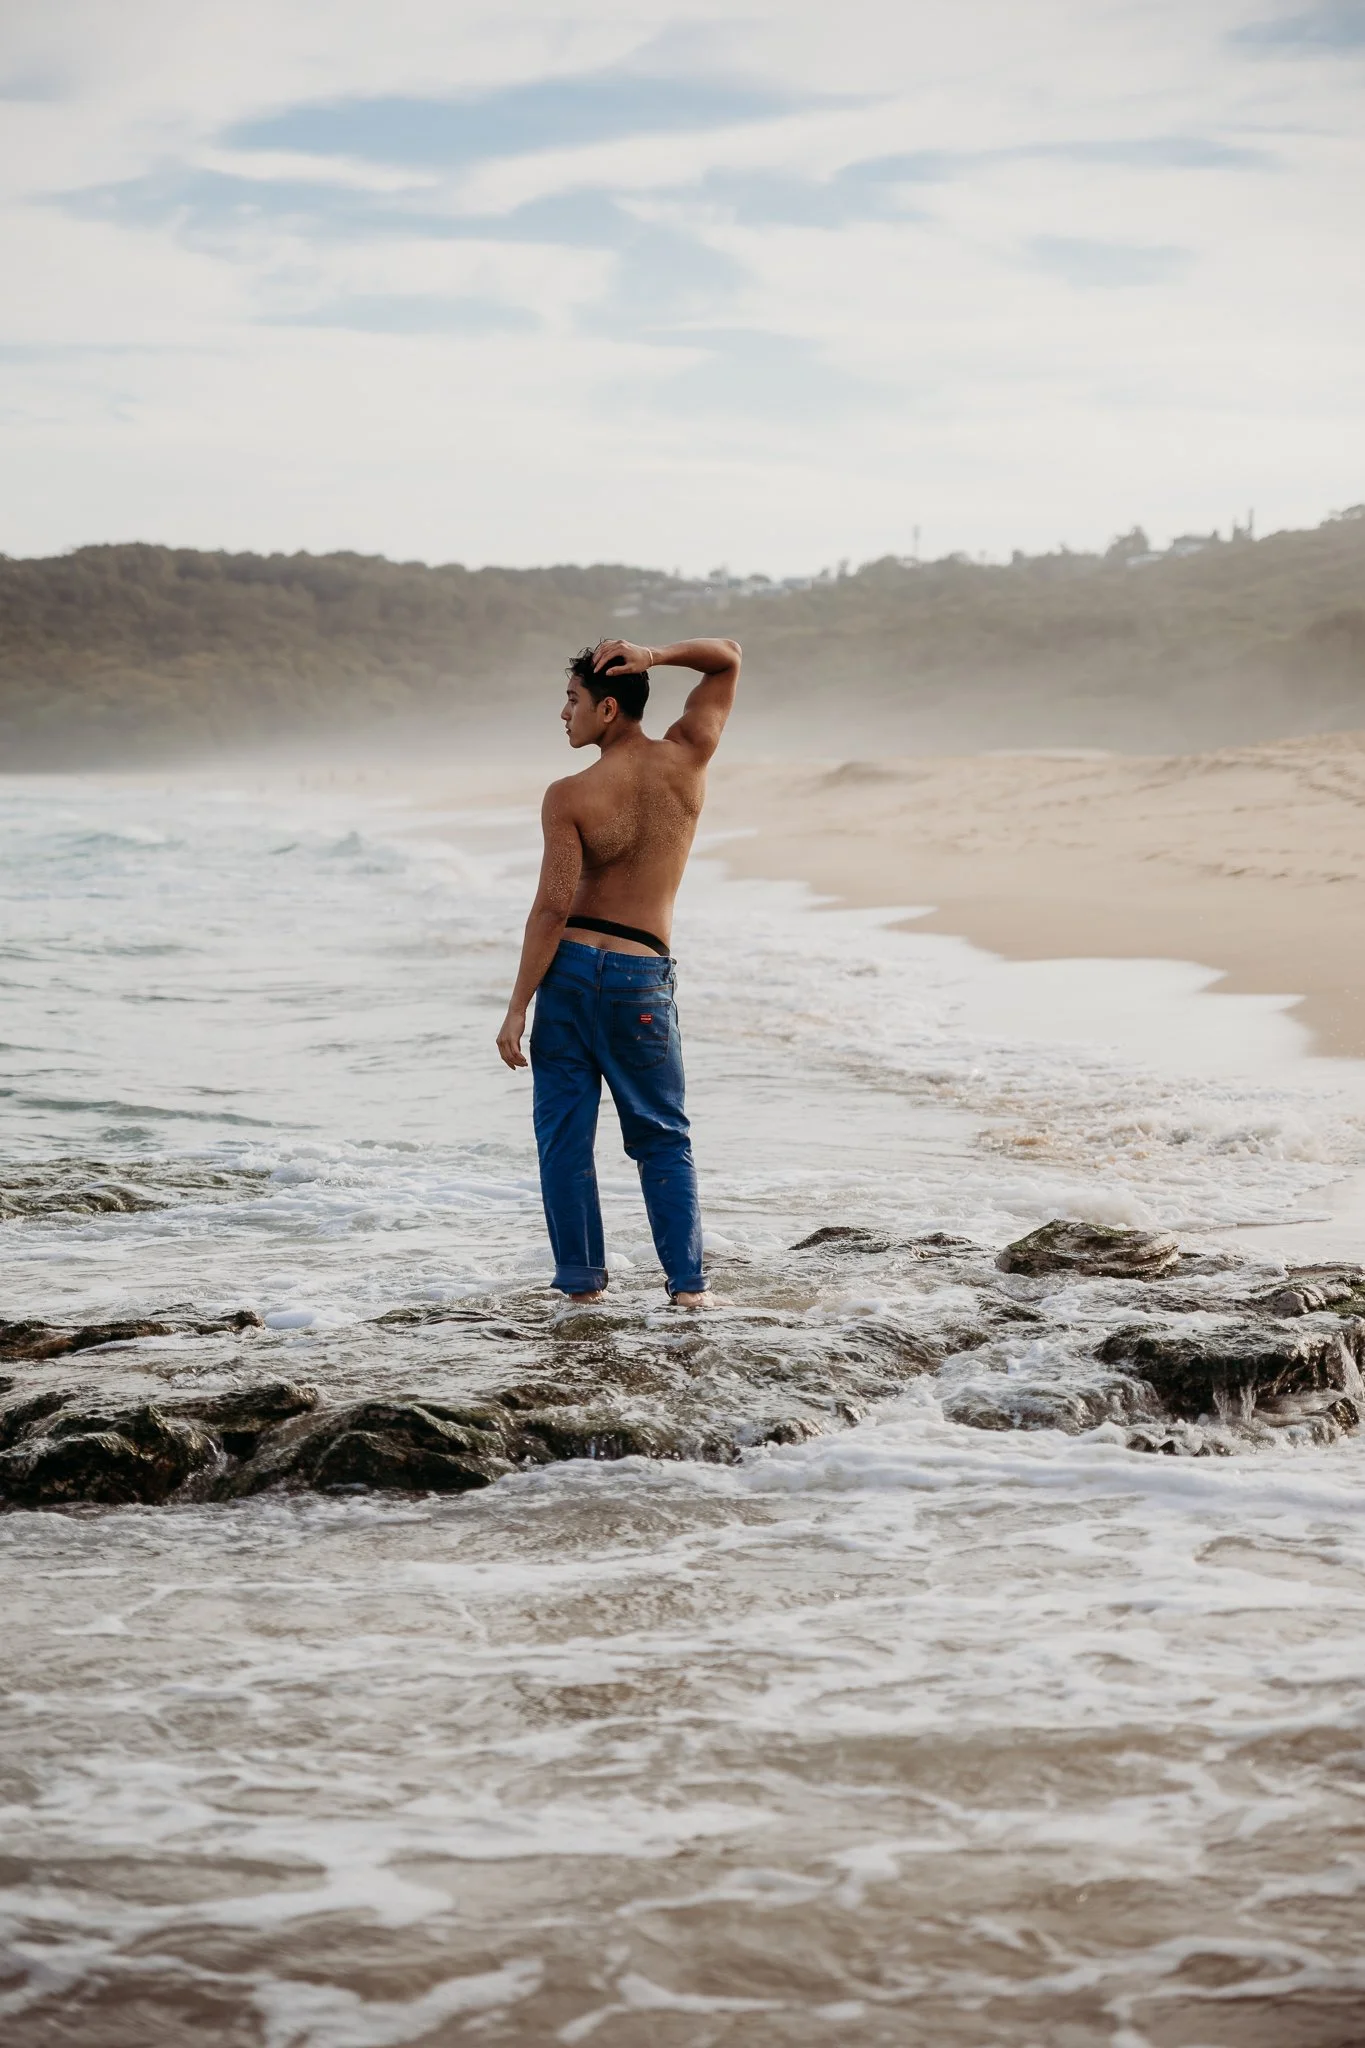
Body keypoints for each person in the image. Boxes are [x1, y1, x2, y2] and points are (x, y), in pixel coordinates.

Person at [496, 636, 742, 1307]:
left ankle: (582, 1291)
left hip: (571, 976)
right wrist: (655, 654)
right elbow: (725, 657)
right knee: (662, 1137)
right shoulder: (688, 756)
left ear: (607, 709)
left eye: (572, 700)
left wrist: (518, 1005)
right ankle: (688, 1291)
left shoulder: (570, 795)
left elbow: (550, 908)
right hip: (640, 976)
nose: (562, 713)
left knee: (564, 1141)